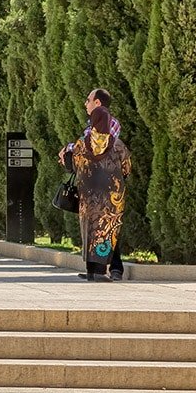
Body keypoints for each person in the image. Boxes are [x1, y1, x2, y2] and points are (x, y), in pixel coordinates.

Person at [63, 98, 131, 282]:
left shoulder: (82, 144)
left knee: (90, 229)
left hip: (88, 194)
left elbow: (72, 163)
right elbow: (126, 167)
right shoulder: (117, 144)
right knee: (107, 229)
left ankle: (92, 271)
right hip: (111, 196)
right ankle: (102, 271)